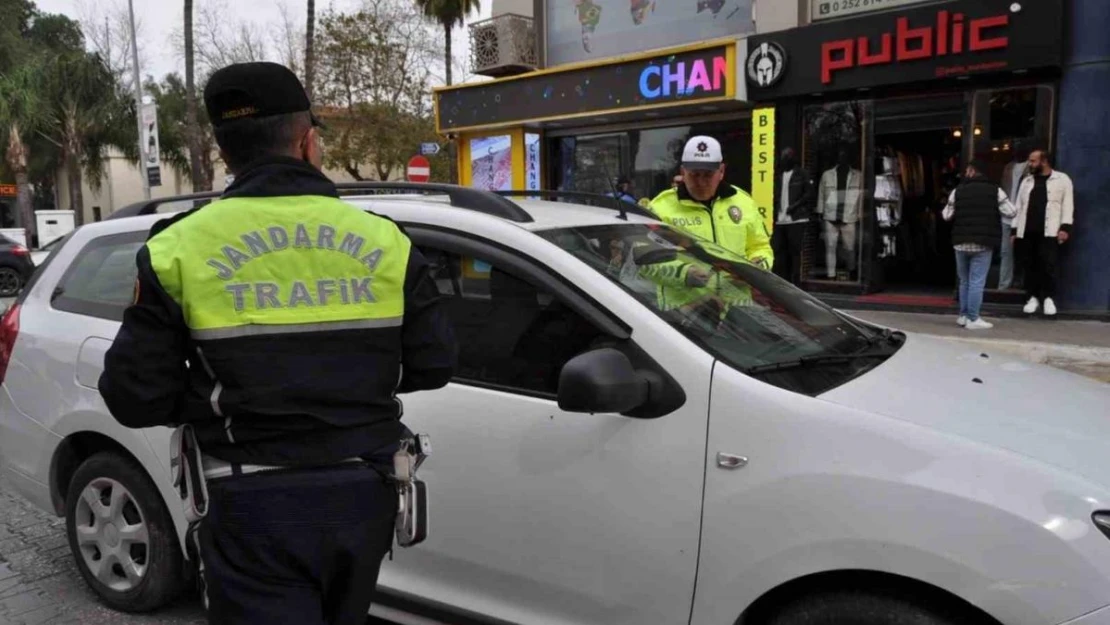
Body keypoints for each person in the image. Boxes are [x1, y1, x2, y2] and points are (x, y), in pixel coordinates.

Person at [97, 62, 457, 625]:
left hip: (250, 502)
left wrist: (218, 396)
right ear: (308, 141)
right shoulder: (387, 240)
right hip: (366, 490)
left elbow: (133, 396)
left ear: (225, 153)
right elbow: (435, 365)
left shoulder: (178, 248)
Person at [648, 135, 774, 270]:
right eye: (694, 175)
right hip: (688, 290)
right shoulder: (660, 208)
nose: (701, 182)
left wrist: (758, 266)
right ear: (683, 172)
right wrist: (684, 273)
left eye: (708, 175)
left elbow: (760, 246)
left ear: (721, 171)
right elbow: (649, 258)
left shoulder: (744, 202)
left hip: (736, 290)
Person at [942, 160, 1016, 330]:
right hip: (983, 243)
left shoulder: (957, 191)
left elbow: (946, 215)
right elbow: (1011, 211)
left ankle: (963, 315)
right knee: (977, 281)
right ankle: (973, 319)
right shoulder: (995, 190)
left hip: (960, 242)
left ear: (971, 171)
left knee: (964, 281)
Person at [1011, 149, 1074, 317]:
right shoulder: (1026, 181)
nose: (1029, 164)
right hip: (1027, 230)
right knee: (1029, 265)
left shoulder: (1062, 179)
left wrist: (1065, 227)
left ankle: (1048, 298)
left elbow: (1068, 205)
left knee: (1048, 265)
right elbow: (1018, 206)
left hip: (1050, 231)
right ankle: (1032, 297)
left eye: (1033, 161)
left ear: (1044, 161)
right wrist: (1014, 230)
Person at [771, 147, 815, 285]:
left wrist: (794, 206)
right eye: (783, 157)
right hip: (780, 219)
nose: (784, 160)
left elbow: (809, 193)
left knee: (795, 252)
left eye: (787, 157)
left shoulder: (801, 174)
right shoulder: (779, 175)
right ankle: (782, 281)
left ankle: (795, 282)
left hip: (797, 219)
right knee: (779, 250)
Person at [998, 143, 1030, 290]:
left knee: (1025, 251)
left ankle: (1024, 283)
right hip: (1007, 215)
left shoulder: (1031, 167)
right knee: (1006, 252)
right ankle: (1004, 285)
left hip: (1024, 217)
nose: (1016, 150)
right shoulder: (1008, 167)